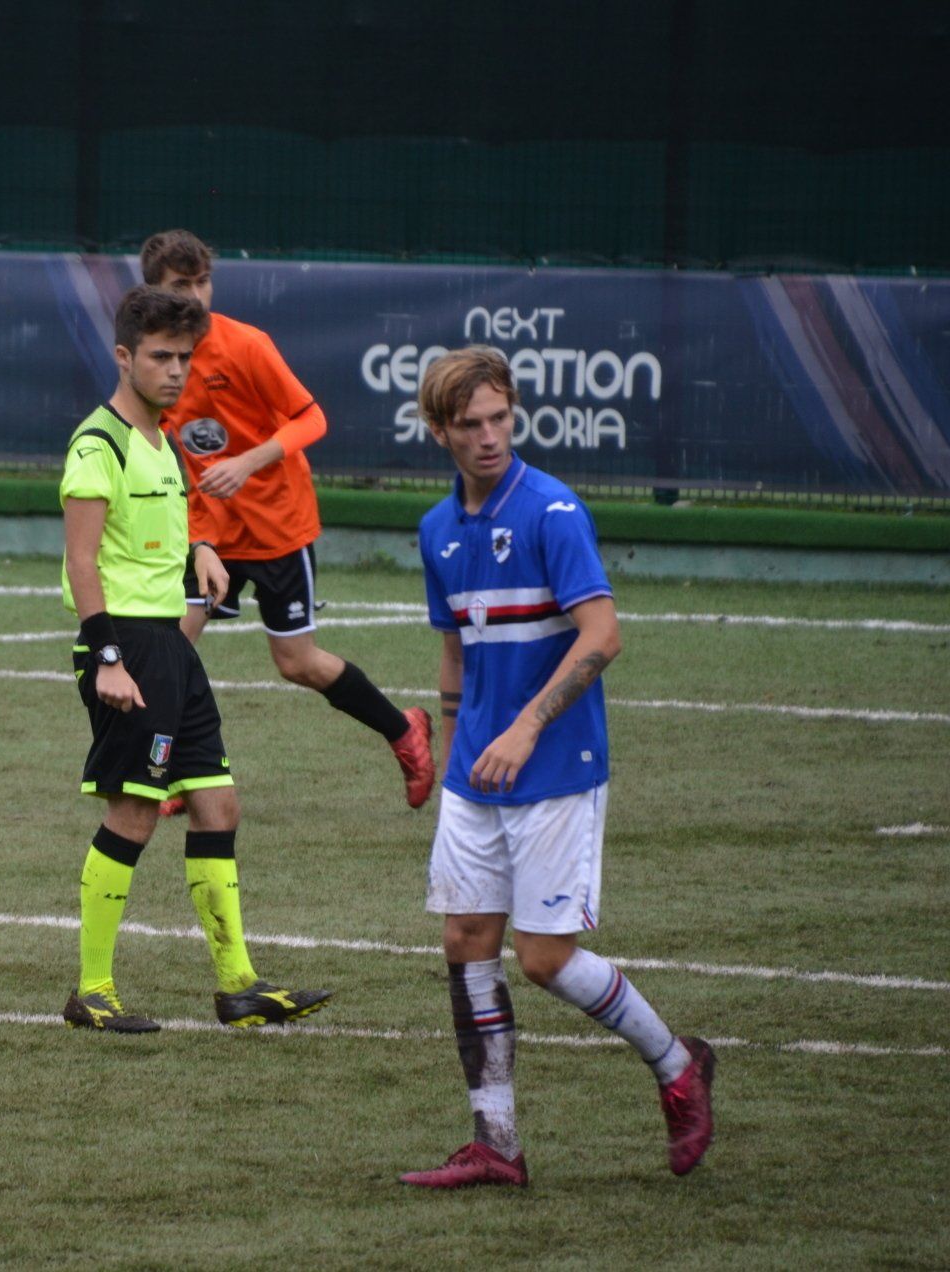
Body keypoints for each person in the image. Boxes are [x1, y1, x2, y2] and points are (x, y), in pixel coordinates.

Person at [399, 345, 714, 1188]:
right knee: (466, 941)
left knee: (543, 960)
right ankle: (496, 1144)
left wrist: (529, 727)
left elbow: (603, 636)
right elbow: (456, 653)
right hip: (477, 774)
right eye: (471, 425)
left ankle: (678, 1064)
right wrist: (458, 744)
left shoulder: (553, 512)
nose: (491, 437)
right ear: (440, 431)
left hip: (555, 765)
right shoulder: (437, 531)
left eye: (501, 418)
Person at [58, 284, 332, 1033]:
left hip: (172, 650)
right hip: (128, 648)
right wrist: (107, 658)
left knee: (218, 803)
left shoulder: (163, 441)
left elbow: (162, 527)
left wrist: (201, 548)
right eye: (160, 357)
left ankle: (238, 985)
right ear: (124, 357)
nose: (176, 371)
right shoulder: (99, 444)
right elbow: (83, 563)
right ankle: (91, 989)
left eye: (184, 357)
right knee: (136, 811)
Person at [138, 229, 434, 815]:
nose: (196, 295)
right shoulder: (157, 364)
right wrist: (192, 531)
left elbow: (311, 418)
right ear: (154, 293)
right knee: (171, 647)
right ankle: (169, 771)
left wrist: (249, 462)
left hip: (276, 526)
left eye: (202, 281)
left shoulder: (246, 346)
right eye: (180, 285)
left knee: (296, 663)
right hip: (209, 536)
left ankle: (404, 729)